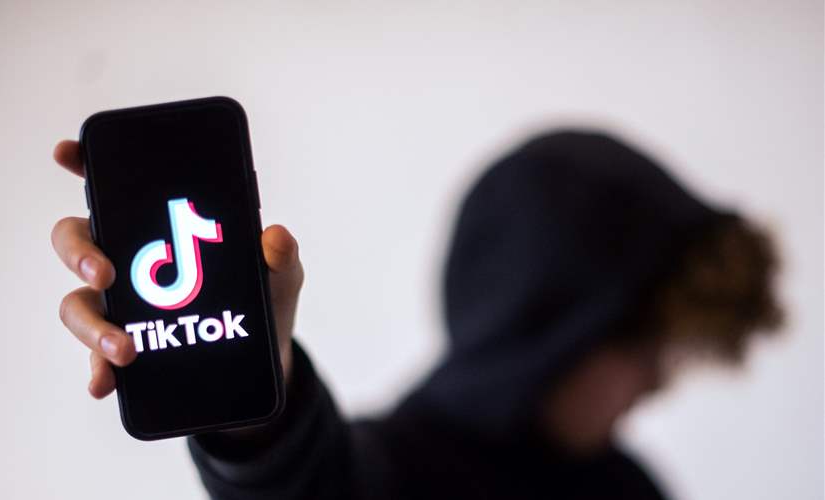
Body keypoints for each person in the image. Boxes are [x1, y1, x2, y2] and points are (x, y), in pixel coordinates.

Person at [51, 130, 782, 499]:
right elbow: (311, 489)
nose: (656, 381)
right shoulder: (399, 473)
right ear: (554, 327)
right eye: (643, 343)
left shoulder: (627, 487)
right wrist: (249, 396)